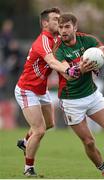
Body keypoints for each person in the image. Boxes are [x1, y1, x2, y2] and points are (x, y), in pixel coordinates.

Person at [54, 13, 104, 177]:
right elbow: (67, 74)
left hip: (92, 95)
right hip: (71, 101)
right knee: (89, 141)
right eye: (60, 27)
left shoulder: (86, 40)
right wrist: (81, 69)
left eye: (67, 27)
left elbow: (102, 49)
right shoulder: (58, 49)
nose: (63, 31)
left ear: (75, 27)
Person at [14, 8, 80, 177]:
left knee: (50, 124)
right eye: (55, 19)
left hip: (40, 90)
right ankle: (28, 168)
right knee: (40, 130)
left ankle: (25, 142)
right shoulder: (43, 40)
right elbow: (51, 61)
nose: (59, 22)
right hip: (26, 90)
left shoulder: (57, 39)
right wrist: (69, 70)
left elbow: (74, 40)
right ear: (45, 23)